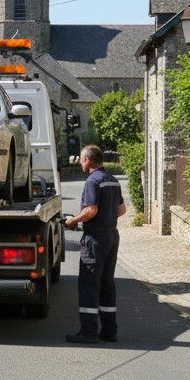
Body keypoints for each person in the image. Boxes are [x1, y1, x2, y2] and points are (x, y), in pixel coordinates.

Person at [63, 145, 127, 344]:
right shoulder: (113, 181)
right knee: (107, 283)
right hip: (111, 235)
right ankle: (109, 331)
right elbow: (122, 210)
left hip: (96, 237)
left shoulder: (93, 181)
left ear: (87, 160)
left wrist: (73, 221)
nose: (81, 162)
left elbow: (90, 210)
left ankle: (89, 331)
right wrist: (106, 218)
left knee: (89, 283)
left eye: (82, 159)